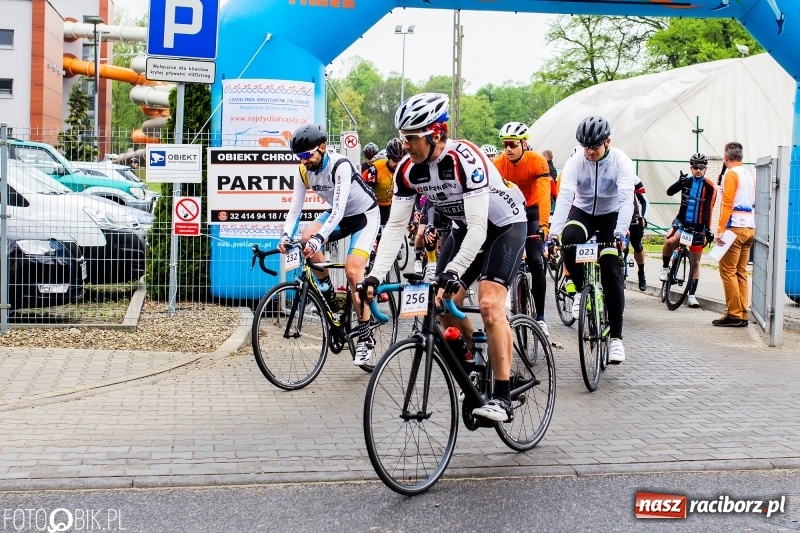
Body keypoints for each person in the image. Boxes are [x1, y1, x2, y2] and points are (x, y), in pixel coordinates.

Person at [359, 92, 528, 422]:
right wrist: (375, 275)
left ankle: (503, 395)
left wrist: (452, 270)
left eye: (411, 138)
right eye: (402, 138)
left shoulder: (466, 158)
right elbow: (394, 227)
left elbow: (481, 226)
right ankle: (472, 368)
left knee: (490, 304)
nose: (404, 146)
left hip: (503, 226)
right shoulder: (407, 171)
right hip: (465, 228)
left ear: (436, 133)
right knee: (437, 304)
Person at [279, 124, 381, 365]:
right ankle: (329, 294)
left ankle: (366, 338)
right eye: (299, 157)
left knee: (353, 272)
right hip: (339, 216)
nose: (304, 161)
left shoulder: (340, 165)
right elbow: (295, 210)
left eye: (307, 155)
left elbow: (337, 209)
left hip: (364, 216)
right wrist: (285, 236)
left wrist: (319, 239)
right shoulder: (303, 171)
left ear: (322, 148)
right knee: (305, 237)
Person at [549, 116, 635, 364]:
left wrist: (620, 232)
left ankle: (616, 339)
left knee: (610, 270)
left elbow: (626, 199)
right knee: (569, 238)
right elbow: (565, 197)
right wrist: (554, 234)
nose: (589, 152)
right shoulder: (576, 160)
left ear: (607, 142)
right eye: (585, 146)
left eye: (594, 147)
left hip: (611, 215)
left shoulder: (621, 161)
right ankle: (578, 290)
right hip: (583, 212)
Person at [493, 122, 552, 336]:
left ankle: (541, 317)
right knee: (504, 259)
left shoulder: (537, 161)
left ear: (524, 144)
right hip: (511, 210)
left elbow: (545, 194)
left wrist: (544, 224)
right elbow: (493, 196)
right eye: (505, 144)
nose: (508, 148)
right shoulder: (498, 164)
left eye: (512, 144)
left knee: (536, 260)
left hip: (533, 210)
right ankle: (505, 306)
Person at [659, 153, 717, 308]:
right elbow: (669, 192)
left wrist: (709, 230)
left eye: (701, 167)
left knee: (696, 263)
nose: (698, 170)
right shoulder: (686, 181)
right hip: (682, 222)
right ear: (691, 168)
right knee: (670, 241)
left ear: (705, 169)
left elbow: (709, 209)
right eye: (695, 167)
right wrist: (679, 183)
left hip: (698, 227)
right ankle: (665, 268)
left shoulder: (710, 187)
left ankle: (692, 295)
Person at [713, 142, 756, 327]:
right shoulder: (748, 174)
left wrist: (721, 230)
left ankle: (734, 313)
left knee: (727, 270)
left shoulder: (730, 174)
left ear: (725, 157)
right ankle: (743, 312)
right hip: (749, 228)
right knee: (741, 271)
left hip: (734, 229)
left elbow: (727, 203)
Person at [362, 138, 405, 225]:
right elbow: (368, 191)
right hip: (374, 206)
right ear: (388, 158)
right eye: (395, 160)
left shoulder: (403, 169)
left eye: (401, 160)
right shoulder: (375, 168)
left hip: (389, 205)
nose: (398, 164)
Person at [627, 178, 649, 292]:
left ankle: (641, 272)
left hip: (633, 216)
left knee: (637, 245)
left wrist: (643, 217)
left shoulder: (633, 179)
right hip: (614, 216)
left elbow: (644, 201)